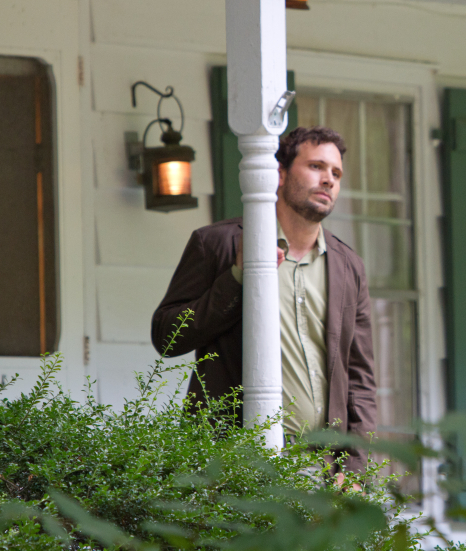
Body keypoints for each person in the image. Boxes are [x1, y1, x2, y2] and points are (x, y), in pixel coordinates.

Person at [151, 126, 377, 474]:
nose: (328, 180)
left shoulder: (349, 267)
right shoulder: (217, 244)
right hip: (234, 464)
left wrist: (354, 471)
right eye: (316, 166)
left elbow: (360, 380)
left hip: (323, 472)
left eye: (336, 173)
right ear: (279, 174)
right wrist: (237, 277)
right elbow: (168, 336)